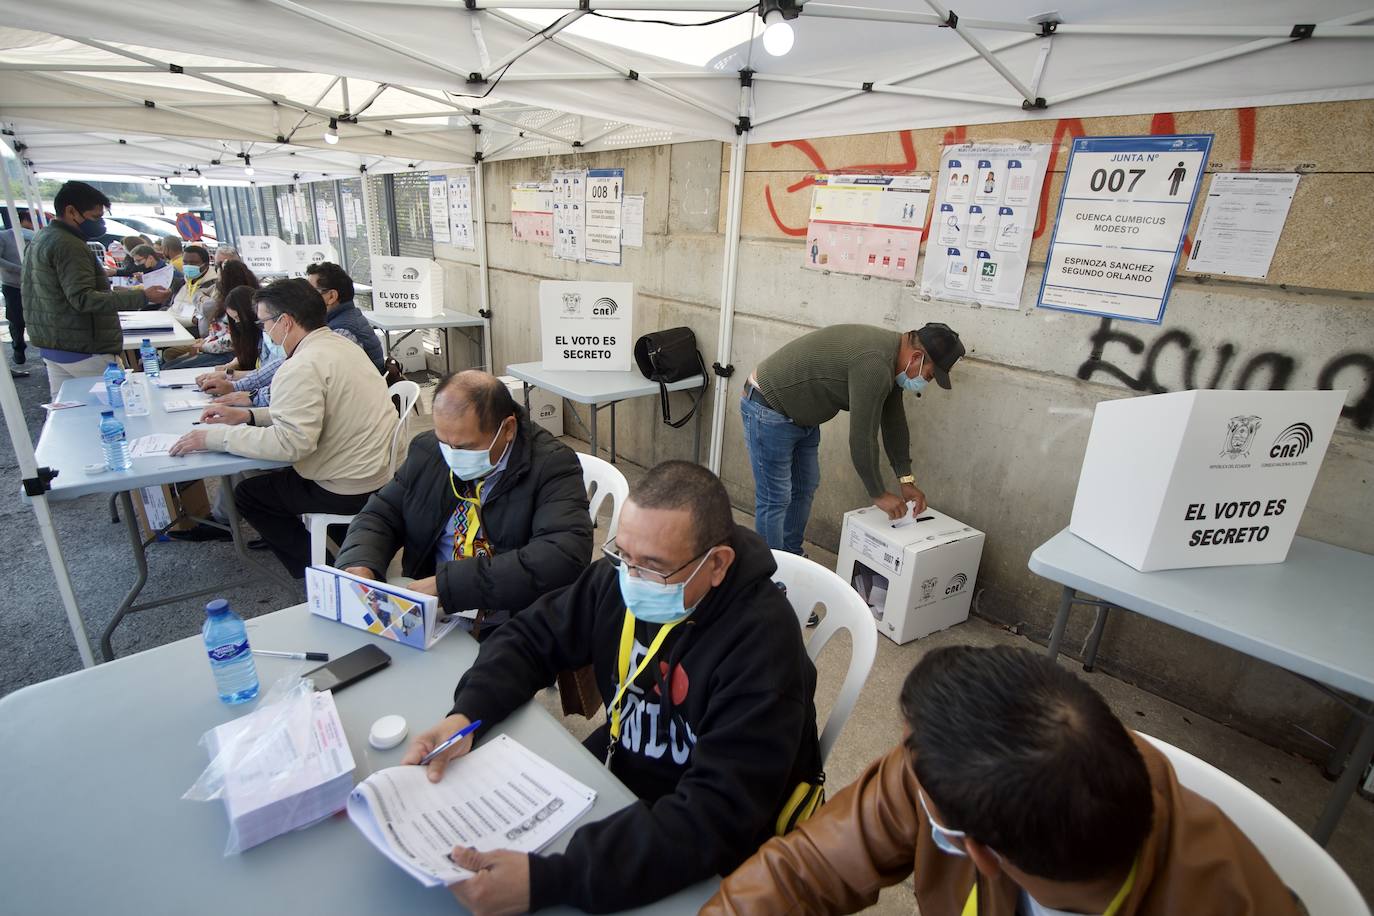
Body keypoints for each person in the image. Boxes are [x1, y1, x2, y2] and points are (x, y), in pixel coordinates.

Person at [402, 461, 823, 913]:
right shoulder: (621, 578)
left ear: (717, 564)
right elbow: (530, 638)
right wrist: (466, 715)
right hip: (622, 774)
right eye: (624, 555)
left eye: (655, 569)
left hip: (718, 833)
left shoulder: (762, 644)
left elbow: (716, 818)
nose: (632, 581)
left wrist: (549, 880)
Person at [703, 645, 1305, 916]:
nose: (906, 768)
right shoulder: (957, 761)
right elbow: (806, 869)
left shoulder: (1235, 901)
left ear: (982, 856)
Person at [168, 278, 396, 577]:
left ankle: (319, 574)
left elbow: (291, 444)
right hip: (376, 471)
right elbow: (309, 413)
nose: (264, 330)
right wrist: (249, 417)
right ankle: (348, 556)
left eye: (264, 322)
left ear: (285, 322)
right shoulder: (341, 344)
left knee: (250, 494)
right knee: (267, 477)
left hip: (345, 483)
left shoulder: (301, 365)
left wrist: (216, 438)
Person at [334, 370, 592, 633]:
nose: (452, 455)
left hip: (507, 619)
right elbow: (381, 513)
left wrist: (450, 586)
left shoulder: (551, 465)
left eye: (465, 447)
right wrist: (360, 562)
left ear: (508, 429)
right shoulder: (429, 450)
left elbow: (562, 554)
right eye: (444, 442)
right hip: (429, 608)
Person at [741, 323, 965, 557]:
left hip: (800, 417)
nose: (925, 383)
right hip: (768, 407)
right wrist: (878, 493)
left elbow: (894, 423)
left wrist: (906, 479)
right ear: (917, 357)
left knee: (804, 487)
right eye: (929, 375)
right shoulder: (875, 364)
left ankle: (790, 555)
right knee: (775, 497)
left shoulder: (892, 362)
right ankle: (769, 574)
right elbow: (862, 437)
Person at [22, 181, 171, 398]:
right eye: (95, 217)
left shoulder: (41, 239)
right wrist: (142, 296)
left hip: (55, 344)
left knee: (68, 412)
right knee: (121, 404)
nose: (100, 223)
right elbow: (83, 299)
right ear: (71, 211)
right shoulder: (69, 245)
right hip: (84, 347)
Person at [166, 258, 256, 369]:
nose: (217, 282)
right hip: (212, 344)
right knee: (169, 363)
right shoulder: (222, 295)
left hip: (226, 353)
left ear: (228, 281)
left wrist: (203, 347)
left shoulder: (239, 302)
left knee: (171, 368)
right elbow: (199, 294)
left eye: (219, 279)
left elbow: (230, 341)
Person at [305, 261, 384, 370]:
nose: (305, 297)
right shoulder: (344, 317)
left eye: (310, 292)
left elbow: (322, 371)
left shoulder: (341, 332)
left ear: (332, 296)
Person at [0, 208, 34, 375]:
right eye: (30, 220)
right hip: (12, 285)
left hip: (34, 285)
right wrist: (19, 269)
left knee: (37, 317)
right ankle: (18, 347)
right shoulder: (4, 236)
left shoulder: (35, 236)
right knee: (16, 319)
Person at [164, 243, 218, 331]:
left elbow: (210, 314)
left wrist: (194, 320)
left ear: (205, 264)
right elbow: (172, 306)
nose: (188, 265)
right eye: (185, 262)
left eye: (193, 263)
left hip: (194, 329)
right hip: (173, 323)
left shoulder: (214, 285)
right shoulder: (182, 282)